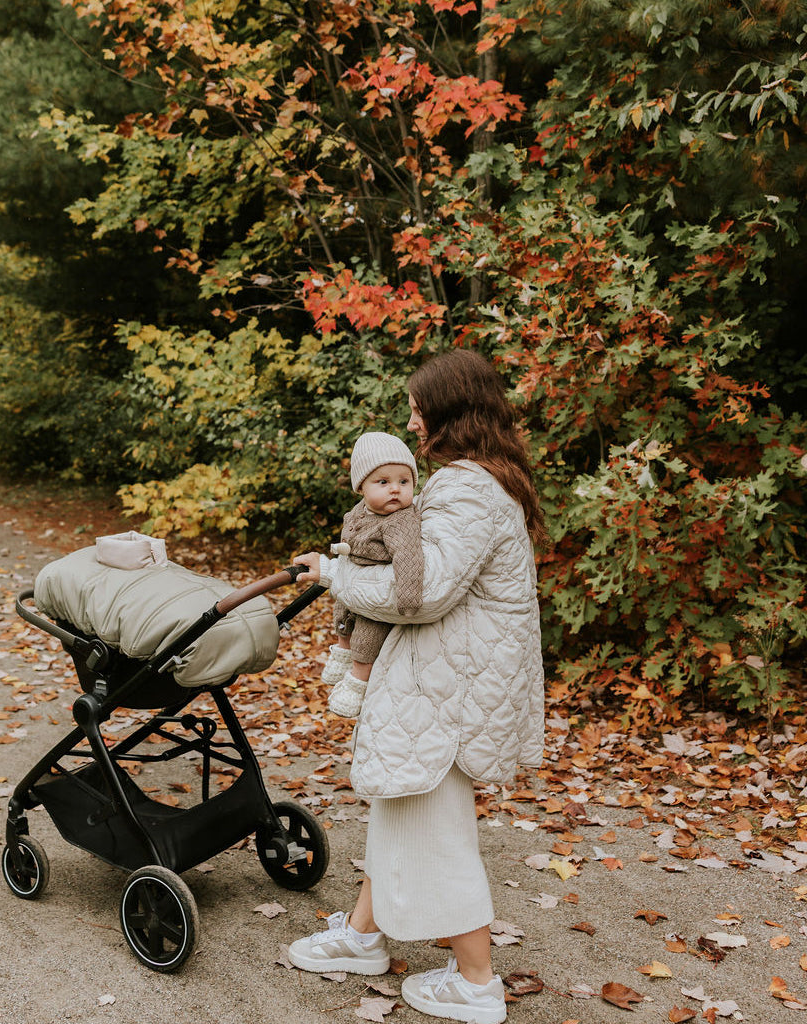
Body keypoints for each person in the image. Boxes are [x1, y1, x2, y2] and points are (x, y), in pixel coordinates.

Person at [288, 349, 547, 1024]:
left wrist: (331, 577)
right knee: (402, 807)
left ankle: (476, 981)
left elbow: (420, 593)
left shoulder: (467, 489)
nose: (410, 417)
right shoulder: (485, 481)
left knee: (435, 829)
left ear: (450, 412)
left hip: (450, 686)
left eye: (417, 406)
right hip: (453, 676)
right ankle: (362, 936)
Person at [321, 431, 424, 718]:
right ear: (361, 488)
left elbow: (408, 557)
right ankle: (342, 653)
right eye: (383, 482)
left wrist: (408, 597)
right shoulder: (359, 511)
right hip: (355, 579)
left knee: (367, 635)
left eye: (404, 482)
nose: (395, 489)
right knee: (341, 613)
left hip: (377, 591)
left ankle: (357, 682)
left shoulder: (400, 519)